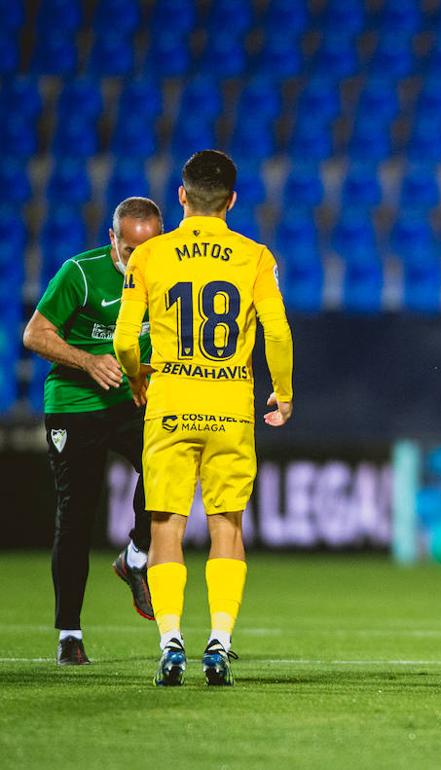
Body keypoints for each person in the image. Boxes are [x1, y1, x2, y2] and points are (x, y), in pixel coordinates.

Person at [114, 150, 294, 687]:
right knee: (226, 524)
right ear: (233, 200)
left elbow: (126, 339)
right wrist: (282, 393)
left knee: (167, 523)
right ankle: (219, 641)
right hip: (230, 403)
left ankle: (171, 641)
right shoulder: (254, 256)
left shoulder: (151, 254)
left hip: (169, 398)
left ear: (181, 196)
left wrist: (136, 377)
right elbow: (277, 333)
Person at [23, 197, 163, 665]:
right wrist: (87, 360)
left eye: (149, 248)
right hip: (75, 405)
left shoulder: (165, 274)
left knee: (166, 467)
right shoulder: (79, 273)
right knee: (77, 515)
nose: (137, 259)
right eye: (129, 249)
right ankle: (69, 632)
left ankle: (136, 555)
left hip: (131, 400)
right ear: (112, 240)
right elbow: (35, 333)